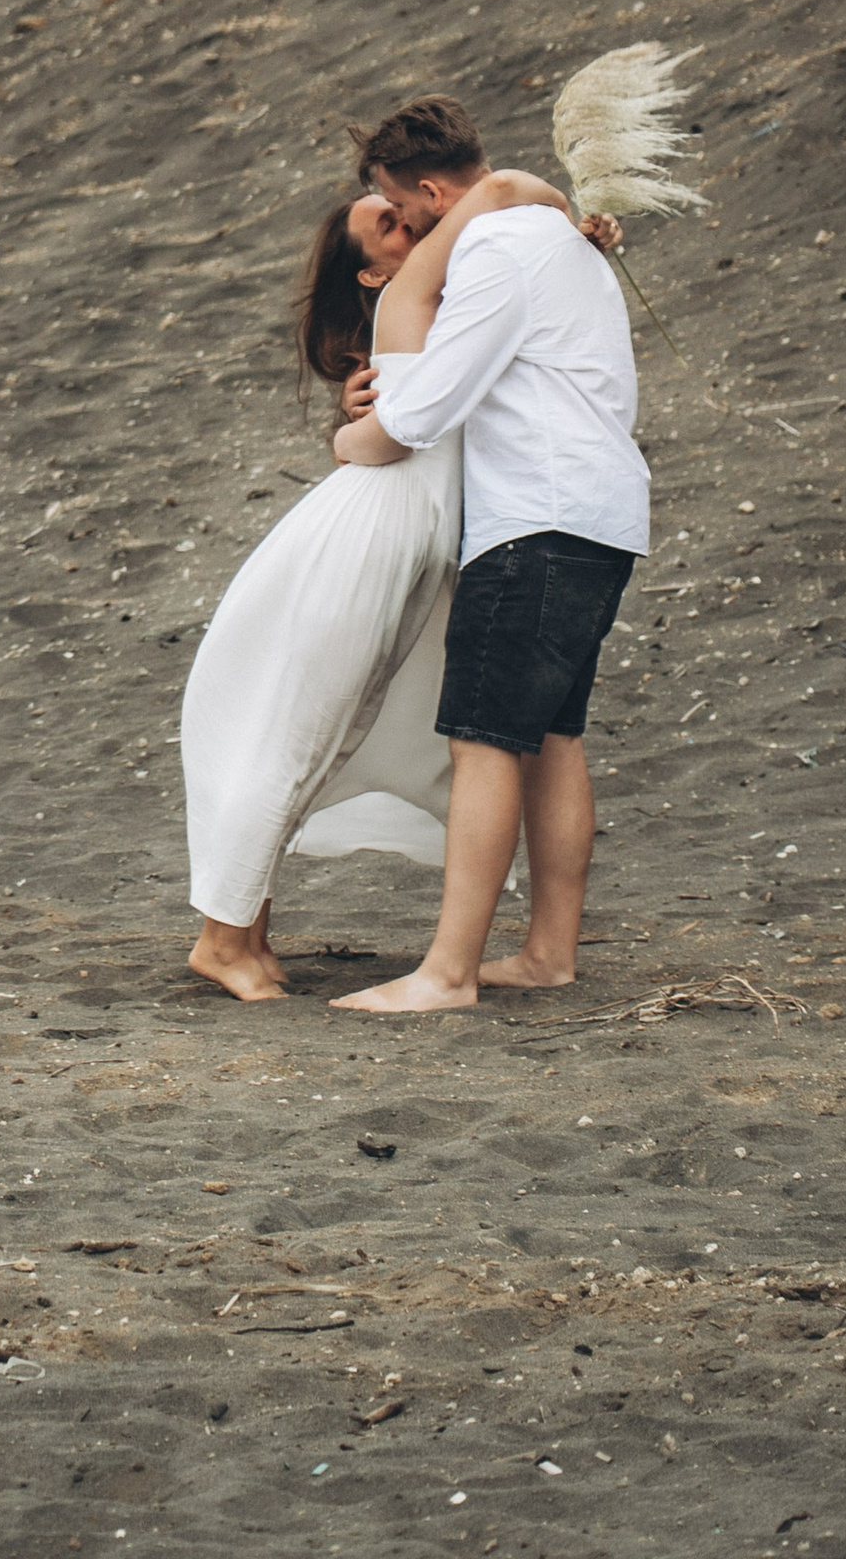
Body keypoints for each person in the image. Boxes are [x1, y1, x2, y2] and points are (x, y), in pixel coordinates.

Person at [179, 159, 612, 1005]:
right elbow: (483, 202)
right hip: (368, 539)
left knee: (313, 728)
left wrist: (579, 236)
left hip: (406, 541)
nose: (411, 223)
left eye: (403, 210)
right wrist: (550, 204)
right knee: (296, 726)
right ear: (376, 271)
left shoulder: (453, 299)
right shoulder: (409, 302)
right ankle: (223, 939)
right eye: (388, 225)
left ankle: (244, 937)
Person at [326, 92, 650, 1017]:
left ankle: (448, 972)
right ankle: (548, 955)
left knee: (483, 742)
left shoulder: (499, 253)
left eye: (405, 211)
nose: (414, 231)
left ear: (431, 192)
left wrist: (353, 438)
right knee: (553, 739)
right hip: (599, 513)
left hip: (538, 519)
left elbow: (421, 416)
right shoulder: (560, 242)